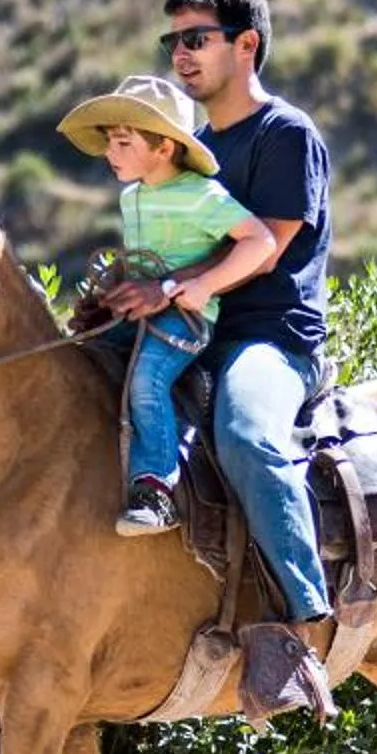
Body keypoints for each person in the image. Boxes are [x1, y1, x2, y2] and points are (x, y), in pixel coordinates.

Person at [91, 0, 343, 721]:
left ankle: (301, 628)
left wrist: (168, 290)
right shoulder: (183, 152)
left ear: (246, 44)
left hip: (266, 336)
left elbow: (267, 249)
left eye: (195, 38)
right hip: (181, 330)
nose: (181, 54)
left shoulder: (284, 135)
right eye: (173, 41)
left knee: (245, 433)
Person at [57, 75, 277, 537]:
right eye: (109, 143)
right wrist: (112, 292)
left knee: (146, 380)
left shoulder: (203, 196)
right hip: (141, 313)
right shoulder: (132, 196)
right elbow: (142, 265)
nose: (109, 153)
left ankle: (156, 488)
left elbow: (260, 240)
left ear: (164, 149)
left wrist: (202, 286)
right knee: (78, 356)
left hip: (187, 318)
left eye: (121, 142)